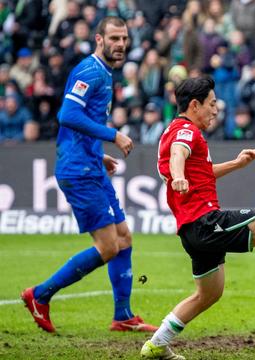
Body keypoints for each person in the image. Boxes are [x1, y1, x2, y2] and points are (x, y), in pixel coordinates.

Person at [21, 17, 157, 334]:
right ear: (99, 39)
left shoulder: (105, 74)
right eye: (114, 38)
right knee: (109, 245)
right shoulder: (89, 71)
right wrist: (113, 135)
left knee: (124, 239)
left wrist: (99, 153)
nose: (121, 44)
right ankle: (39, 295)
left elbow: (81, 121)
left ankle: (122, 315)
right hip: (78, 171)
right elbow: (67, 115)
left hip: (90, 164)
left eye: (124, 38)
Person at [141, 76, 255, 359]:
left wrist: (237, 163)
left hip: (191, 231)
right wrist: (177, 177)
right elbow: (178, 155)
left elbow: (200, 173)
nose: (215, 110)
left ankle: (156, 345)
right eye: (212, 104)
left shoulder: (174, 130)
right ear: (195, 105)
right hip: (205, 221)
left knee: (208, 294)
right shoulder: (186, 131)